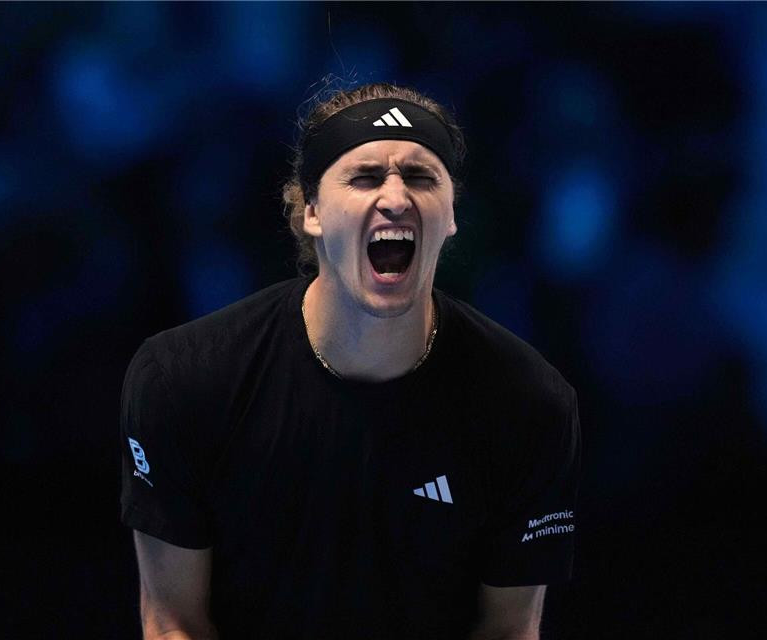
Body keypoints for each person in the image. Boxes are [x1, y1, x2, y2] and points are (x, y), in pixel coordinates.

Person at [120, 83, 581, 640]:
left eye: (421, 177)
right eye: (365, 177)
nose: (396, 197)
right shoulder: (184, 379)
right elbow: (173, 622)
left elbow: (508, 630)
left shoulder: (529, 403)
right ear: (312, 210)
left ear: (451, 215)